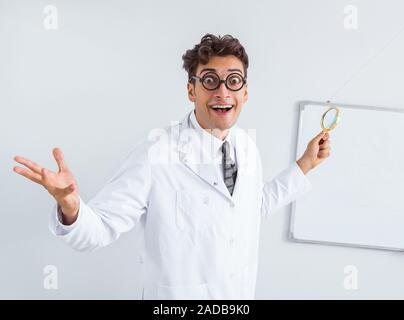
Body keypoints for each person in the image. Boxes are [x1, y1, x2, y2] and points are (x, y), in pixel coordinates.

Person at [13, 34, 331, 299]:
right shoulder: (155, 155)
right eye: (210, 80)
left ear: (245, 93)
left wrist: (303, 166)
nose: (222, 91)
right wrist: (70, 206)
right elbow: (100, 230)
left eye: (233, 81)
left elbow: (250, 208)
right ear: (191, 90)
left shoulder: (246, 146)